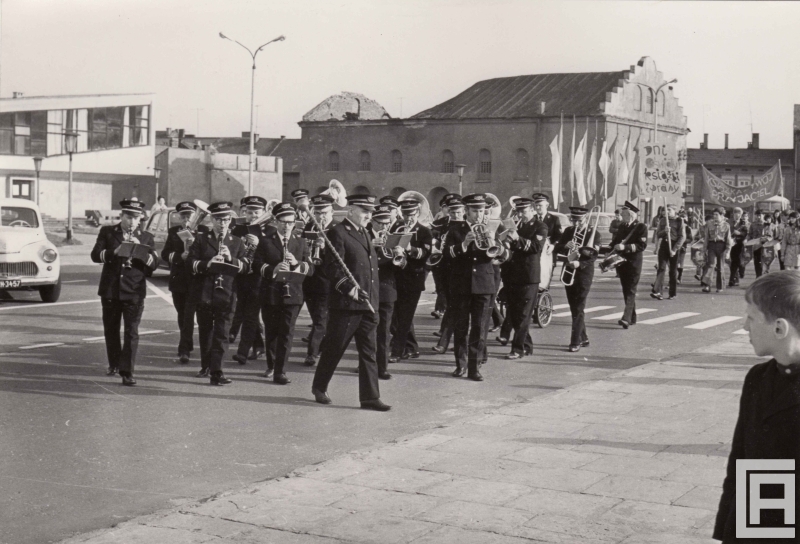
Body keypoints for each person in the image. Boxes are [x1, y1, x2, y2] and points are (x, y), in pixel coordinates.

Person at [713, 271, 800, 543]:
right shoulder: (758, 378)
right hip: (756, 522)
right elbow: (740, 461)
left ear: (779, 328)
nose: (744, 326)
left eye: (751, 318)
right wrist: (727, 532)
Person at [311, 193, 390, 411]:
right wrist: (349, 289)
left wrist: (372, 297)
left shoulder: (365, 232)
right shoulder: (337, 233)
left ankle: (370, 397)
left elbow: (371, 270)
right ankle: (319, 386)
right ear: (351, 210)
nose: (369, 216)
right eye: (365, 211)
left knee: (369, 352)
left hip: (368, 304)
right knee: (335, 348)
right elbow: (333, 267)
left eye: (370, 212)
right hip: (347, 305)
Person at [90, 199, 159, 385]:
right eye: (129, 217)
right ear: (122, 216)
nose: (132, 222)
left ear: (141, 219)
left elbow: (154, 266)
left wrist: (141, 252)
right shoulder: (107, 232)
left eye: (136, 218)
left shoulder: (146, 237)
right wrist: (116, 251)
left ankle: (127, 371)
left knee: (131, 332)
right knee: (111, 330)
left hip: (134, 292)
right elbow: (95, 255)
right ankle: (113, 363)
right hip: (111, 290)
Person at [187, 201, 248, 385]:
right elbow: (190, 263)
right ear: (212, 219)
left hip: (227, 294)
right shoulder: (201, 239)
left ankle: (217, 371)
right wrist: (208, 263)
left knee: (222, 333)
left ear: (230, 220)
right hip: (205, 293)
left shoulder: (237, 242)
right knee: (206, 332)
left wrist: (231, 258)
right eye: (219, 220)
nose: (223, 224)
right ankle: (206, 365)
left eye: (226, 220)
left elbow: (245, 267)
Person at [253, 202, 314, 385]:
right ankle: (272, 366)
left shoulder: (301, 242)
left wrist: (296, 263)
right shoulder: (266, 241)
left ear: (295, 223)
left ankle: (281, 371)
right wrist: (274, 268)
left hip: (293, 294)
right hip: (270, 293)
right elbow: (256, 265)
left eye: (290, 222)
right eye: (283, 222)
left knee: (287, 333)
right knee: (271, 332)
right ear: (276, 222)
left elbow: (310, 269)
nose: (287, 226)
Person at [442, 193, 498, 380]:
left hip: (483, 284)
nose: (478, 215)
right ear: (466, 211)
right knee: (460, 327)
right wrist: (464, 243)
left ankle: (474, 368)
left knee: (479, 328)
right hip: (461, 285)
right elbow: (447, 254)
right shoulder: (456, 230)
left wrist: (494, 243)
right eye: (475, 211)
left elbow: (503, 255)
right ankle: (461, 365)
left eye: (481, 211)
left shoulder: (491, 228)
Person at [500, 197, 548, 359]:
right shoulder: (516, 226)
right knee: (514, 314)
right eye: (518, 211)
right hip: (511, 275)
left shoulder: (540, 227)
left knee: (523, 315)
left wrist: (517, 239)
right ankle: (527, 346)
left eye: (524, 211)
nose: (520, 215)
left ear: (533, 210)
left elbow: (536, 247)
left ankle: (518, 349)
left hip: (528, 276)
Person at [161, 201, 207, 364]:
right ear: (179, 217)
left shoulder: (203, 231)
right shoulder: (174, 231)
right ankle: (187, 345)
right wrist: (180, 256)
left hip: (196, 279)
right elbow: (165, 254)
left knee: (192, 315)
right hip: (179, 280)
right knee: (182, 315)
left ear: (195, 216)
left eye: (189, 215)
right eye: (183, 215)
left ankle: (185, 349)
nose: (186, 218)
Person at [388, 198, 432, 363]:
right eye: (405, 214)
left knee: (405, 317)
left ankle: (398, 352)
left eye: (411, 214)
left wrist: (410, 249)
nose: (408, 218)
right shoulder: (396, 227)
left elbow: (426, 254)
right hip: (396, 277)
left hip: (413, 279)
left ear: (417, 213)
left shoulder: (424, 231)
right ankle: (412, 348)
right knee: (396, 317)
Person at [554, 207, 603, 352]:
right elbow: (558, 248)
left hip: (583, 274)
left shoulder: (594, 234)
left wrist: (580, 263)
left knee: (579, 307)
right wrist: (564, 246)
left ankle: (575, 342)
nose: (575, 223)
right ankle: (584, 337)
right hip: (568, 271)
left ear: (586, 218)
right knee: (574, 307)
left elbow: (593, 256)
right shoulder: (569, 231)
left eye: (579, 220)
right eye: (573, 219)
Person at [231, 196, 270, 366]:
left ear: (263, 212)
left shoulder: (269, 231)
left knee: (250, 315)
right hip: (241, 276)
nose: (253, 215)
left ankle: (242, 352)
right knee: (246, 312)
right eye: (249, 212)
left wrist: (260, 242)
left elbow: (274, 253)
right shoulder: (238, 230)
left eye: (256, 212)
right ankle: (259, 346)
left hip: (259, 278)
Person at [301, 194, 336, 367]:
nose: (321, 216)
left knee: (321, 319)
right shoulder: (309, 226)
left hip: (327, 281)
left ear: (332, 211)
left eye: (324, 212)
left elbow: (342, 256)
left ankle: (312, 353)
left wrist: (325, 248)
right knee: (318, 318)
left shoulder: (338, 229)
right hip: (309, 280)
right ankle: (322, 346)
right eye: (318, 212)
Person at [369, 204, 403, 380]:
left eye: (387, 223)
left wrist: (400, 255)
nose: (384, 227)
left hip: (387, 290)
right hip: (368, 290)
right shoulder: (365, 237)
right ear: (372, 221)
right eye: (380, 223)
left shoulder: (393, 239)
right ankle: (365, 365)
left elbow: (402, 266)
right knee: (367, 332)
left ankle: (382, 367)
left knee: (383, 332)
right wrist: (371, 247)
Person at [432, 194, 464, 354]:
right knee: (453, 305)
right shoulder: (440, 224)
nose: (455, 214)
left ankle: (444, 341)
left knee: (454, 307)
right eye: (451, 211)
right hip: (443, 268)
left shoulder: (466, 226)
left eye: (458, 211)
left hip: (459, 270)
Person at [609, 201, 648, 329]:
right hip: (621, 262)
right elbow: (614, 242)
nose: (621, 216)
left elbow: (641, 246)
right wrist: (604, 251)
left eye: (624, 214)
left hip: (634, 263)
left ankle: (626, 318)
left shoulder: (641, 227)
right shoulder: (622, 226)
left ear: (631, 215)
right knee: (626, 290)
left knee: (631, 290)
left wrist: (624, 247)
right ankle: (632, 317)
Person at [650, 205, 686, 300]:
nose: (666, 212)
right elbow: (658, 234)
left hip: (674, 246)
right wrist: (664, 231)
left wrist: (674, 250)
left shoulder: (679, 221)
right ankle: (658, 292)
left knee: (673, 271)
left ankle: (672, 293)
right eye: (665, 210)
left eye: (669, 210)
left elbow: (682, 237)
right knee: (661, 268)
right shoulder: (662, 221)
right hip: (664, 246)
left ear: (675, 211)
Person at [701, 207, 733, 294]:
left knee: (720, 267)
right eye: (714, 215)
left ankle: (720, 286)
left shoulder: (726, 225)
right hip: (711, 245)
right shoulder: (709, 224)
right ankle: (707, 285)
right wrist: (704, 250)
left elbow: (728, 239)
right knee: (711, 265)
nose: (714, 216)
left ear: (722, 216)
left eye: (717, 215)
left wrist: (728, 251)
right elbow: (707, 238)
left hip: (721, 246)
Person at [747, 210, 773, 278]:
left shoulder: (766, 224)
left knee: (765, 262)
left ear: (763, 216)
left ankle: (764, 276)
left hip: (765, 246)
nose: (758, 217)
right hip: (756, 246)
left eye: (760, 215)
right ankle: (758, 276)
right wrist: (748, 240)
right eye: (757, 215)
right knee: (757, 262)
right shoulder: (753, 224)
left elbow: (770, 235)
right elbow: (750, 234)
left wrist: (766, 239)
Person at [728, 207, 749, 287]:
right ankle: (732, 279)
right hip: (732, 244)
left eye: (738, 214)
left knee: (737, 261)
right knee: (733, 261)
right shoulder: (729, 222)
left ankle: (738, 272)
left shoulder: (743, 223)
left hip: (740, 244)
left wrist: (740, 233)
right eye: (735, 213)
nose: (737, 215)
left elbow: (747, 233)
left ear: (741, 215)